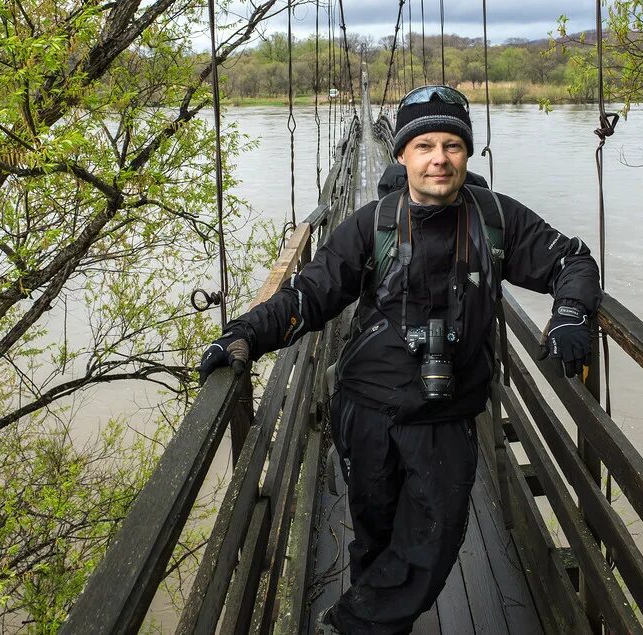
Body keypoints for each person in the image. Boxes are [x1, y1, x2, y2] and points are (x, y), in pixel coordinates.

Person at [199, 85, 601, 634]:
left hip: (446, 413)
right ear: (402, 154)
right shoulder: (371, 224)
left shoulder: (495, 219)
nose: (440, 158)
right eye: (425, 145)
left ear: (467, 153)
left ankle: (351, 625)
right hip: (365, 409)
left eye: (453, 146)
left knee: (433, 542)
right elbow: (310, 294)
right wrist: (244, 333)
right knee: (375, 533)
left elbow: (572, 259)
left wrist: (574, 311)